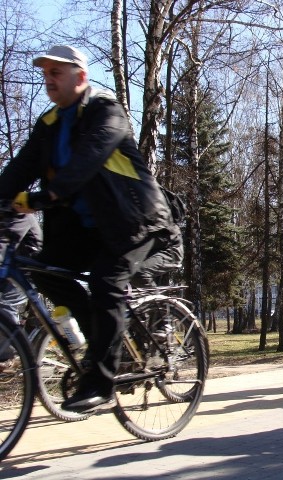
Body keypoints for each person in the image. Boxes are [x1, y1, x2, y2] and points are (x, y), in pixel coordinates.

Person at [0, 45, 180, 413]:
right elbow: (19, 169)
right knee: (46, 271)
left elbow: (87, 160)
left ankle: (100, 382)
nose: (48, 80)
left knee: (105, 281)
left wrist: (43, 196)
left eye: (57, 73)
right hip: (87, 230)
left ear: (80, 77)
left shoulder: (106, 112)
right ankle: (102, 340)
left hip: (135, 223)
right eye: (45, 73)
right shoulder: (49, 125)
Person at [0, 214, 42, 324]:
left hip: (29, 273)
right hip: (13, 272)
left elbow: (3, 246)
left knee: (5, 307)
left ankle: (10, 339)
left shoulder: (22, 216)